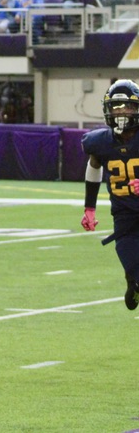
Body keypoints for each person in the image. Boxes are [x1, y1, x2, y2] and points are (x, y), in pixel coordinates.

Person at [80, 79, 139, 311]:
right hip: (124, 217)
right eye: (116, 107)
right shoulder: (100, 142)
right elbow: (94, 165)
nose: (121, 112)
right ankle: (133, 283)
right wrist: (89, 208)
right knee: (133, 266)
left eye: (126, 107)